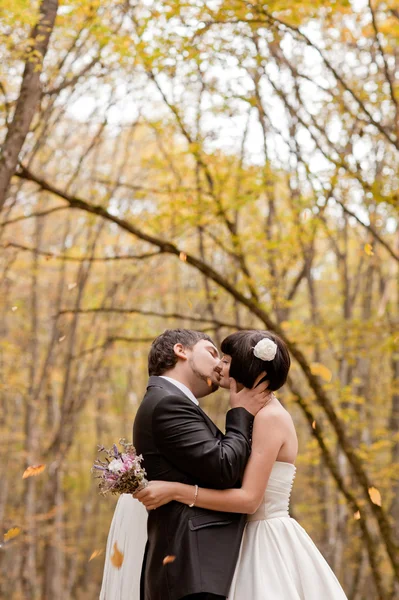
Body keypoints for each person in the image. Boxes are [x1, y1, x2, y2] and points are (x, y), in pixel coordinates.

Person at [136, 330, 348, 600]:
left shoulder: (269, 417)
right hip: (241, 539)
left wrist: (176, 490)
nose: (219, 366)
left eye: (225, 360)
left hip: (266, 542)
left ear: (249, 368)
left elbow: (249, 500)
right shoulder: (253, 416)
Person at [100, 329, 270, 600]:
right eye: (212, 353)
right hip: (192, 570)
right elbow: (224, 469)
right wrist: (241, 413)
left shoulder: (170, 402)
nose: (220, 365)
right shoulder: (168, 403)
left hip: (193, 568)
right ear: (181, 350)